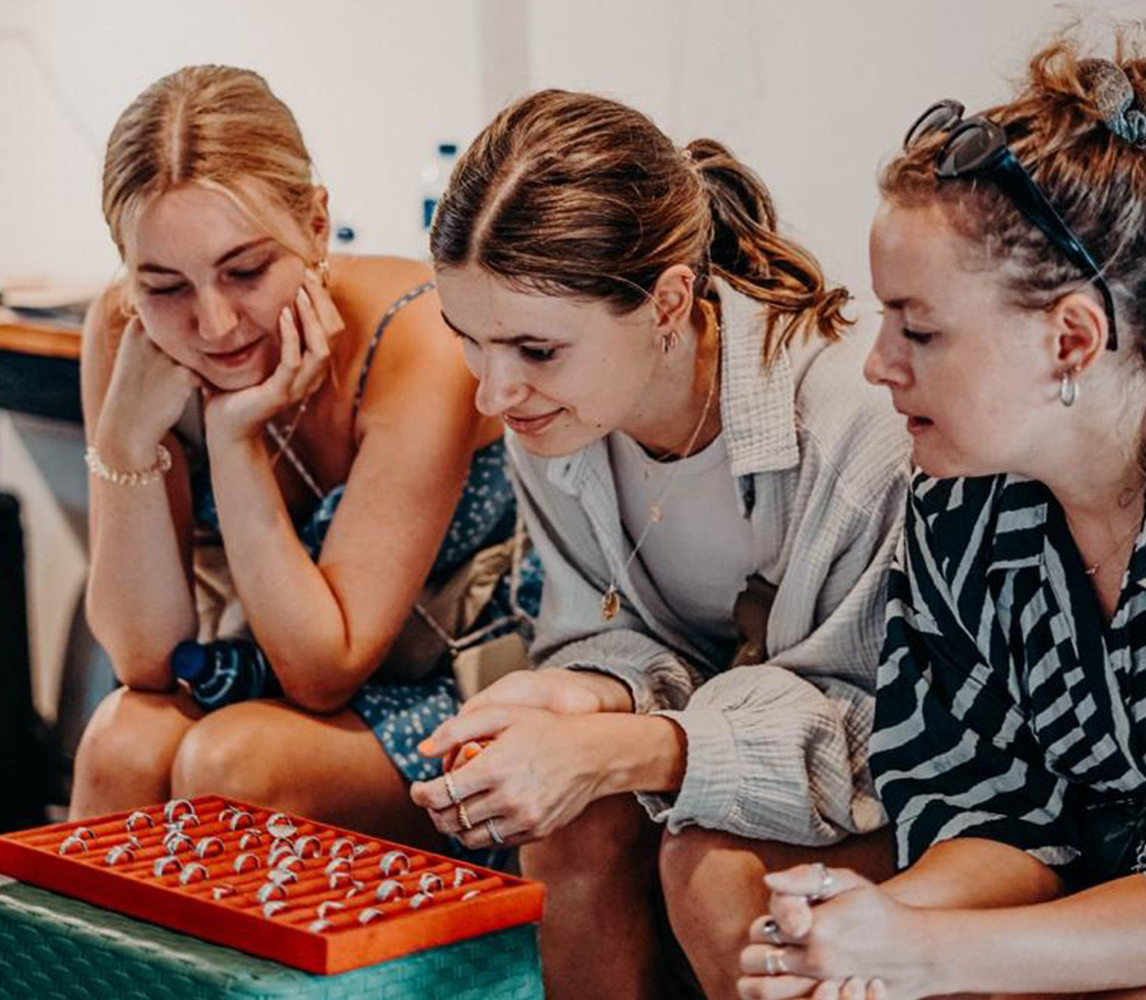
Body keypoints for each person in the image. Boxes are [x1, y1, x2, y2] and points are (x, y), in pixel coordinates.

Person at [408, 89, 910, 1000]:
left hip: (901, 795)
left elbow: (885, 742)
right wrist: (580, 690)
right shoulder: (553, 423)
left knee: (708, 865)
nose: (494, 394)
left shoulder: (855, 429)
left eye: (535, 348)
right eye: (470, 342)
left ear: (670, 299)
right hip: (747, 748)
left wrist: (627, 746)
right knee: (568, 826)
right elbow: (609, 630)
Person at [739, 30, 1146, 1000]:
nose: (876, 361)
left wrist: (928, 954)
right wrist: (867, 922)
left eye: (916, 328)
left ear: (1070, 338)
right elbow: (998, 809)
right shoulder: (959, 507)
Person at [70, 65, 527, 857]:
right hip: (250, 671)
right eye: (163, 284)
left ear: (316, 224)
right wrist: (121, 444)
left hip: (449, 690)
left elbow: (327, 670)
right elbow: (143, 657)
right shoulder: (128, 336)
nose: (213, 324)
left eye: (246, 271)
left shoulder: (422, 338)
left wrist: (235, 438)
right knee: (120, 741)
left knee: (231, 762)